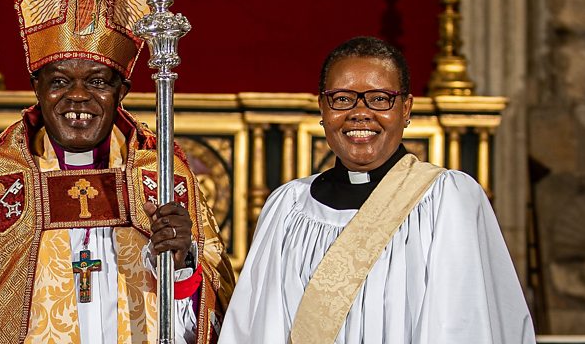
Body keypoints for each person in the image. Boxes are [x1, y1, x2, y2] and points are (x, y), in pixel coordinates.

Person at [0, 0, 234, 344]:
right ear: (36, 88)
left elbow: (212, 319)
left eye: (99, 81)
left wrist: (183, 265)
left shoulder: (163, 177)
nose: (78, 97)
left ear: (123, 90)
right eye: (60, 81)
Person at [218, 36, 535, 343]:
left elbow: (461, 326)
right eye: (342, 99)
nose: (360, 112)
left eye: (380, 98)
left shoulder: (446, 200)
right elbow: (256, 329)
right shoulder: (288, 208)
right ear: (323, 109)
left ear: (406, 109)